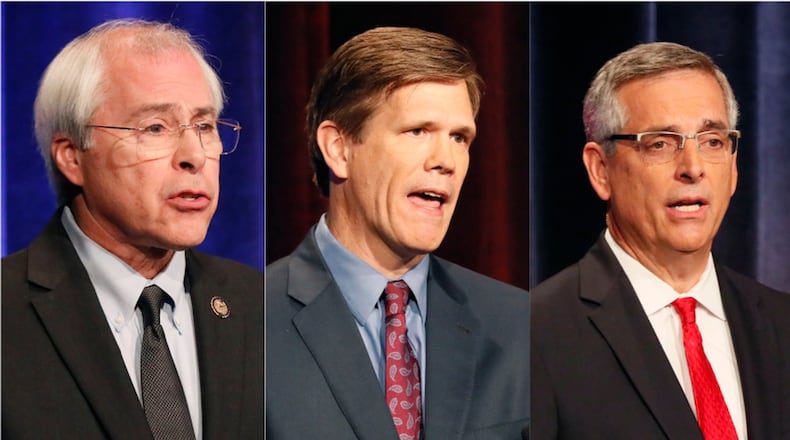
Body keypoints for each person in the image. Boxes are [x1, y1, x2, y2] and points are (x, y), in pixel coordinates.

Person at [1, 19, 263, 439]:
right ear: (72, 157)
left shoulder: (261, 306)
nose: (194, 155)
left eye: (204, 126)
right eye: (155, 128)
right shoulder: (7, 314)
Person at [265, 27, 530, 439]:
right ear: (339, 148)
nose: (447, 161)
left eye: (460, 138)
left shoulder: (519, 325)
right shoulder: (252, 324)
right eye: (418, 131)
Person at [530, 41, 790, 440]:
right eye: (660, 144)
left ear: (734, 167)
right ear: (601, 170)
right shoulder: (534, 335)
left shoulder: (780, 322)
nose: (693, 168)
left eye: (712, 141)